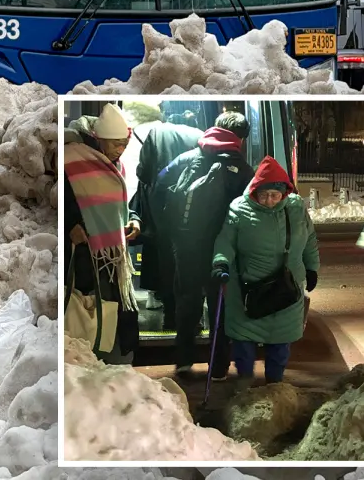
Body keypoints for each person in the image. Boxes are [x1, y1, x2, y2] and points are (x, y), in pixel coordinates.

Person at [153, 112, 253, 380]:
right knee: (219, 303)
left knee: (186, 300)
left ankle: (184, 361)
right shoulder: (242, 169)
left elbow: (158, 185)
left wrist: (168, 229)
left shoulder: (185, 158)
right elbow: (249, 211)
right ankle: (218, 366)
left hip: (186, 243)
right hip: (221, 247)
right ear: (240, 139)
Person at [212, 156, 320, 393]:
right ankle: (244, 384)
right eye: (264, 195)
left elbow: (310, 239)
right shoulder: (239, 209)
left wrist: (312, 268)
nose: (269, 201)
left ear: (284, 192)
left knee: (280, 342)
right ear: (254, 192)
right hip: (249, 289)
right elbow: (225, 242)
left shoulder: (295, 208)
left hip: (287, 288)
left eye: (274, 195)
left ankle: (274, 384)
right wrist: (221, 263)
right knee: (243, 342)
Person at [63, 103, 140, 365]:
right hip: (84, 251)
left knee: (108, 309)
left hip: (110, 253)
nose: (121, 149)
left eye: (124, 143)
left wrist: (132, 220)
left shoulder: (114, 164)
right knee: (87, 306)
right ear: (99, 139)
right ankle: (87, 362)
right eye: (116, 144)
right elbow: (62, 199)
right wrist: (70, 223)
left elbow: (120, 204)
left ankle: (108, 359)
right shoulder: (71, 158)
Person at [128, 119, 203, 330]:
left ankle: (172, 317)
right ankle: (193, 319)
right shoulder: (198, 134)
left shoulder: (155, 135)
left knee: (168, 264)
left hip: (162, 211)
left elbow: (143, 172)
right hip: (192, 214)